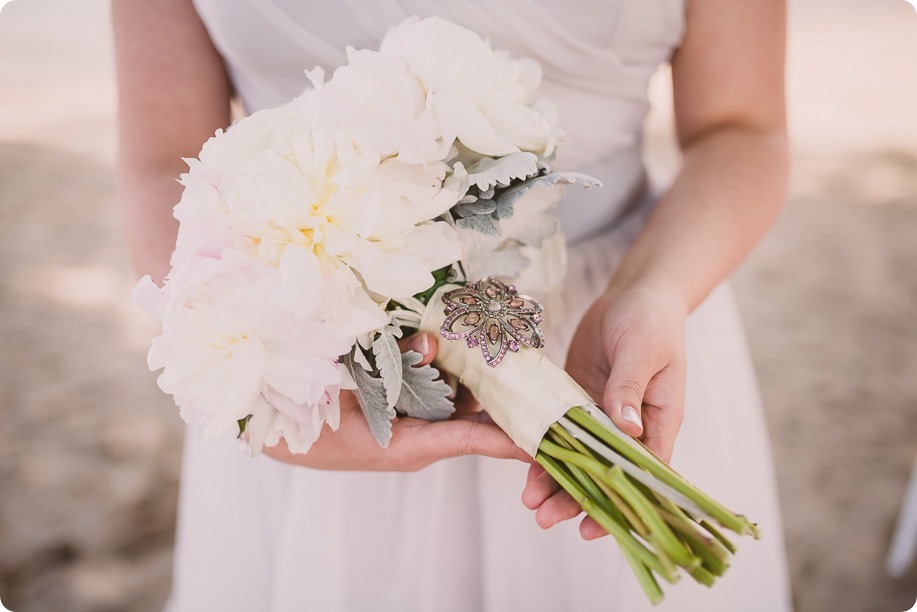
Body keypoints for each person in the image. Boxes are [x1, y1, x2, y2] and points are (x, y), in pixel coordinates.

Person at [113, 1, 793, 610]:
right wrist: (254, 385)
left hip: (618, 323)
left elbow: (741, 127)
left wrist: (654, 291)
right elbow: (161, 161)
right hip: (325, 363)